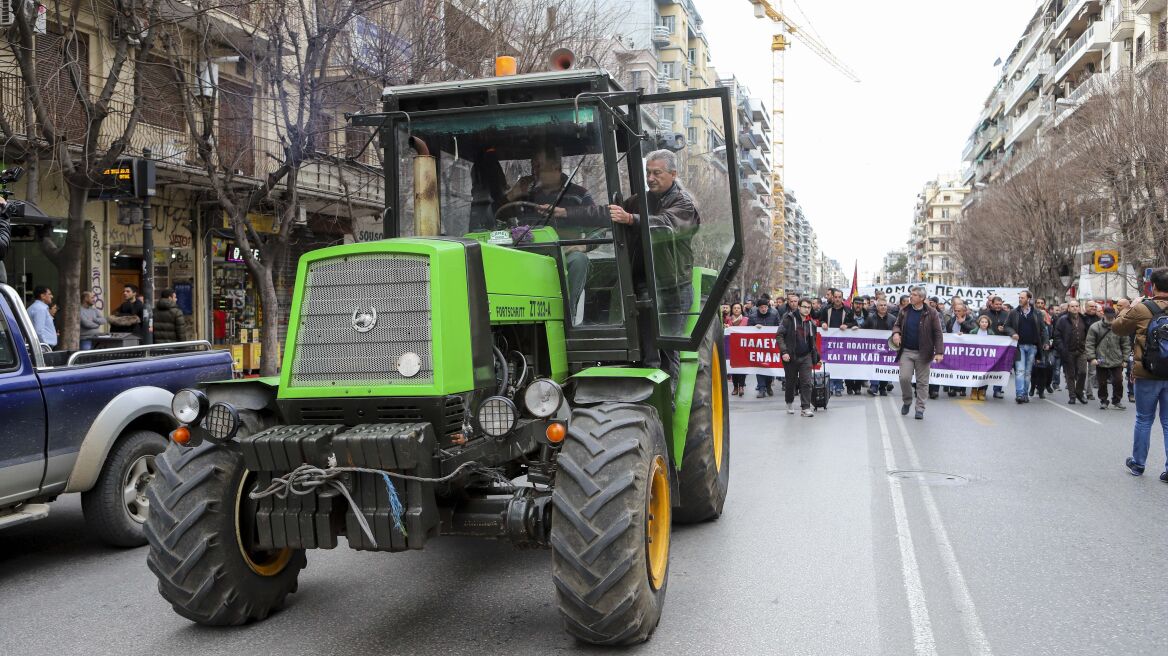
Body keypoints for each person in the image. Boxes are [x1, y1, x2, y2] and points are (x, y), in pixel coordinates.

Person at [609, 149, 699, 384]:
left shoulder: (684, 204)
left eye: (657, 173)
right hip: (643, 284)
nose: (650, 178)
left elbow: (665, 223)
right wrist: (567, 212)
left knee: (667, 350)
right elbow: (609, 214)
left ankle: (666, 406)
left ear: (673, 174)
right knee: (646, 351)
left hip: (673, 287)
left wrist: (631, 219)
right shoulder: (640, 200)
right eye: (648, 173)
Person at [1112, 268, 1168, 480]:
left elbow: (1118, 328)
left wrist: (1130, 307)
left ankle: (1138, 464)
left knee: (1144, 419)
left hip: (1147, 371)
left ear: (1153, 286)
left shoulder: (1143, 308)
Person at [890, 286, 944, 420]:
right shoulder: (905, 310)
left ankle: (920, 408)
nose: (911, 296)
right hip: (906, 351)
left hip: (924, 352)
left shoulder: (931, 313)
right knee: (904, 378)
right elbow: (897, 324)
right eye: (911, 294)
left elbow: (938, 333)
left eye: (914, 295)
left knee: (922, 382)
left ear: (921, 298)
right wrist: (896, 333)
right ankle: (907, 400)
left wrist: (939, 352)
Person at [778, 298, 819, 417]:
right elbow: (779, 335)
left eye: (809, 308)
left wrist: (816, 356)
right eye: (804, 307)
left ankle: (805, 408)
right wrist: (784, 352)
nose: (807, 310)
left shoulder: (811, 323)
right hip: (791, 356)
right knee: (791, 382)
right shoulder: (788, 319)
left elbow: (813, 342)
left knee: (806, 382)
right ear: (799, 307)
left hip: (806, 356)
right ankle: (789, 402)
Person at [1004, 291, 1046, 404]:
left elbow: (1043, 329)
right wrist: (1012, 333)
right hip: (1019, 346)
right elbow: (1006, 326)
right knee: (1020, 371)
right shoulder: (1014, 312)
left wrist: (1045, 342)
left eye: (1022, 298)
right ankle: (1019, 394)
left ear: (1028, 299)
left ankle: (1025, 393)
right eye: (1019, 298)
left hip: (1033, 346)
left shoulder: (1037, 313)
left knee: (1028, 372)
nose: (1020, 299)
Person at [1086, 307, 1130, 410]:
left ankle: (1117, 400)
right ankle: (1103, 400)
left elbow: (1126, 344)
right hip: (1101, 359)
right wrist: (1092, 358)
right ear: (1104, 315)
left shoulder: (1120, 327)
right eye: (1108, 316)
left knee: (1118, 381)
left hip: (1117, 359)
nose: (1110, 318)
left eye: (1112, 317)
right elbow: (1089, 343)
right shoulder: (1095, 327)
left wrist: (1125, 359)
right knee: (1102, 382)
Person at [819, 288, 858, 396]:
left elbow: (853, 323)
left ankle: (839, 387)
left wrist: (847, 325)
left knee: (840, 363)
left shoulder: (848, 310)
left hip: (842, 342)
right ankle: (830, 386)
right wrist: (823, 323)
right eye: (835, 297)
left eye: (839, 297)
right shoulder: (826, 309)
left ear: (842, 298)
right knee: (830, 364)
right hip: (828, 341)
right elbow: (820, 320)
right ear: (832, 297)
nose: (837, 299)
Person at [1054, 301, 1089, 405]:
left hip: (1082, 350)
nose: (1075, 308)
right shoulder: (1062, 320)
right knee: (1070, 374)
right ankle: (1072, 396)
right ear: (1068, 308)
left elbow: (1088, 334)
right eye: (1072, 306)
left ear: (1079, 307)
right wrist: (1062, 349)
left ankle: (1079, 392)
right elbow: (1057, 336)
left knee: (1082, 372)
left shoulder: (1083, 319)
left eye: (1076, 306)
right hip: (1068, 351)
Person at [942, 299, 977, 398]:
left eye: (959, 311)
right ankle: (952, 388)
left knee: (963, 368)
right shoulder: (952, 320)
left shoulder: (971, 320)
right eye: (955, 311)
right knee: (952, 367)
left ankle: (962, 389)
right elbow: (947, 332)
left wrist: (963, 322)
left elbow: (974, 331)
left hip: (965, 349)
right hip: (953, 349)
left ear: (964, 311)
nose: (956, 312)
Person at [747, 296, 780, 397]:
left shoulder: (774, 315)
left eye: (765, 307)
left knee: (770, 367)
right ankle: (761, 389)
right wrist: (754, 328)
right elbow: (747, 331)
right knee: (759, 367)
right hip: (758, 347)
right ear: (758, 308)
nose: (763, 309)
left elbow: (779, 327)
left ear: (768, 307)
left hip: (771, 346)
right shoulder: (752, 317)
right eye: (761, 307)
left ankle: (768, 386)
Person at [980, 296, 1011, 399]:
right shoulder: (985, 314)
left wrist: (1004, 329)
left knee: (1000, 368)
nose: (998, 306)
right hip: (987, 346)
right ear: (992, 304)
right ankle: (983, 389)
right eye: (996, 304)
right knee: (986, 368)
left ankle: (997, 390)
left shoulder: (1006, 314)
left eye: (1000, 304)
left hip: (1002, 346)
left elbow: (1011, 327)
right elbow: (978, 326)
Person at [866, 298, 897, 396]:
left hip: (888, 348)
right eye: (881, 305)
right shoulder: (871, 318)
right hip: (875, 348)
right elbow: (863, 328)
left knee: (885, 367)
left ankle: (883, 387)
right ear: (877, 307)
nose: (883, 307)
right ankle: (874, 386)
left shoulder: (892, 319)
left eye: (885, 305)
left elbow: (897, 330)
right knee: (874, 366)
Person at [969, 315, 995, 400]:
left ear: (988, 323)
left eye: (986, 322)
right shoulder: (973, 332)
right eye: (982, 322)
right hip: (975, 357)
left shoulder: (991, 333)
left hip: (986, 357)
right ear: (979, 323)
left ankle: (981, 391)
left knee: (985, 374)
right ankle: (973, 390)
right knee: (975, 374)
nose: (984, 324)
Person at [725, 302, 749, 396]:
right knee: (734, 368)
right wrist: (726, 327)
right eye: (734, 308)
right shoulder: (728, 320)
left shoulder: (746, 320)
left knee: (742, 368)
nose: (736, 310)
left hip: (743, 347)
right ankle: (735, 387)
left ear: (741, 309)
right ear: (732, 309)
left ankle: (741, 387)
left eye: (738, 308)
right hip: (731, 347)